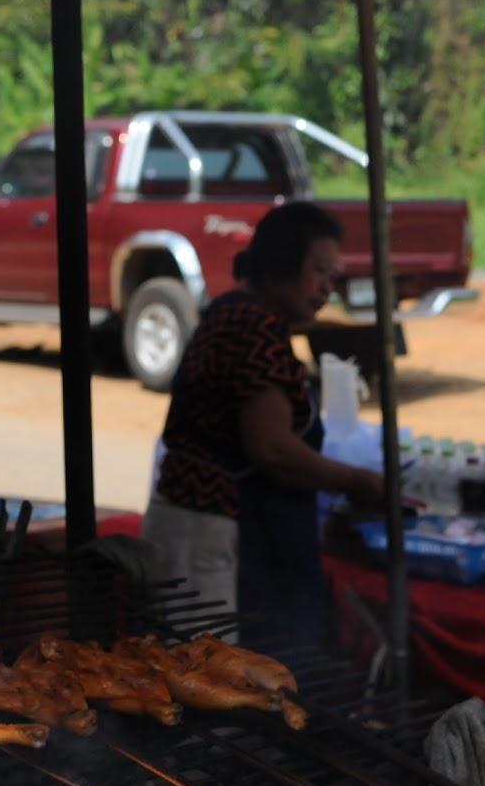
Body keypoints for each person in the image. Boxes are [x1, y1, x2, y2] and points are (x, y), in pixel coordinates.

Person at [141, 201, 382, 643]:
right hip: (208, 533)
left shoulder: (243, 315)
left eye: (333, 277)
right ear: (281, 264)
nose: (327, 288)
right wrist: (357, 481)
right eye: (318, 272)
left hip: (208, 527)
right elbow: (270, 448)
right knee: (212, 686)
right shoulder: (250, 327)